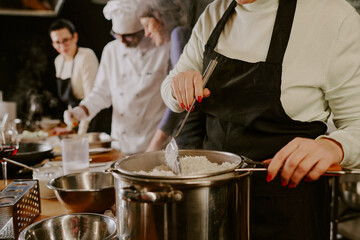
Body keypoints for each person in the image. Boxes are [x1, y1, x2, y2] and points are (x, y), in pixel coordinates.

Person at [161, 0, 360, 239]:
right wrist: (177, 87)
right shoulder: (216, 12)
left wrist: (334, 146)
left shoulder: (332, 17)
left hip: (286, 213)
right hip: (210, 208)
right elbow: (171, 86)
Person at [64, 0, 170, 154]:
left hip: (152, 143)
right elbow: (101, 93)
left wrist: (159, 142)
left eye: (129, 37)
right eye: (117, 35)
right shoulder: (111, 51)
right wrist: (81, 111)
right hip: (120, 143)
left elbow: (173, 103)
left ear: (143, 29)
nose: (121, 41)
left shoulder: (163, 49)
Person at [139, 0, 192, 152]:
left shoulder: (178, 34)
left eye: (147, 25)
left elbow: (178, 93)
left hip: (189, 131)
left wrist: (156, 142)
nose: (146, 33)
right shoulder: (178, 36)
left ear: (161, 18)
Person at [49, 18, 111, 135]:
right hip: (79, 121)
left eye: (66, 40)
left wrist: (80, 135)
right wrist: (69, 128)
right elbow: (70, 103)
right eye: (57, 42)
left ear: (75, 37)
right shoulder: (58, 61)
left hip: (94, 121)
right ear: (53, 44)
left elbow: (91, 99)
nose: (62, 45)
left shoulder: (86, 56)